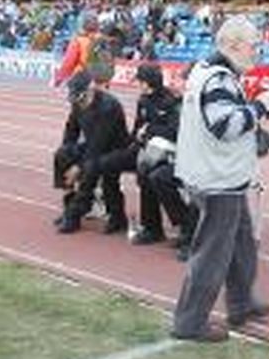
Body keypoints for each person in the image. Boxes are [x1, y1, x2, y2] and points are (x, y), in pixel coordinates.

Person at [170, 16, 269, 342]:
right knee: (212, 253)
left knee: (242, 244)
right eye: (254, 45)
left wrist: (265, 108)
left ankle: (240, 302)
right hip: (217, 179)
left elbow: (227, 117)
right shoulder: (219, 78)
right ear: (234, 45)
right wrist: (262, 106)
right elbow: (226, 126)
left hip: (221, 176)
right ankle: (189, 322)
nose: (258, 51)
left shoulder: (210, 72)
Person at [52, 72, 130, 234]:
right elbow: (71, 131)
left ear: (91, 90)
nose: (80, 102)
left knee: (92, 168)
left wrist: (78, 167)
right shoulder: (77, 103)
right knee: (61, 154)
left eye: (82, 98)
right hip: (92, 144)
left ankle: (83, 214)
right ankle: (70, 206)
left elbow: (98, 145)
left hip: (115, 148)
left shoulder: (108, 107)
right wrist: (67, 155)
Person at [130, 62, 193, 252]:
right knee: (141, 169)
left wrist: (150, 130)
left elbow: (175, 132)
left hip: (183, 155)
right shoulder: (143, 101)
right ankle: (151, 227)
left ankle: (187, 227)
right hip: (153, 151)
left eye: (179, 79)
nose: (174, 84)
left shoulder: (173, 102)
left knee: (157, 176)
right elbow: (136, 131)